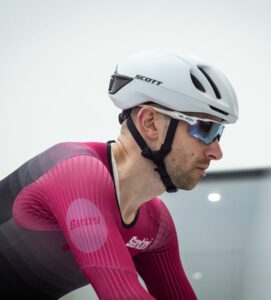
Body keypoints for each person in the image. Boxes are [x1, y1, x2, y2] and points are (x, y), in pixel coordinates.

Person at [0, 49, 239, 299]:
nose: (217, 152)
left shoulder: (157, 225)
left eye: (219, 133)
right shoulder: (77, 172)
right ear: (150, 123)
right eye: (206, 129)